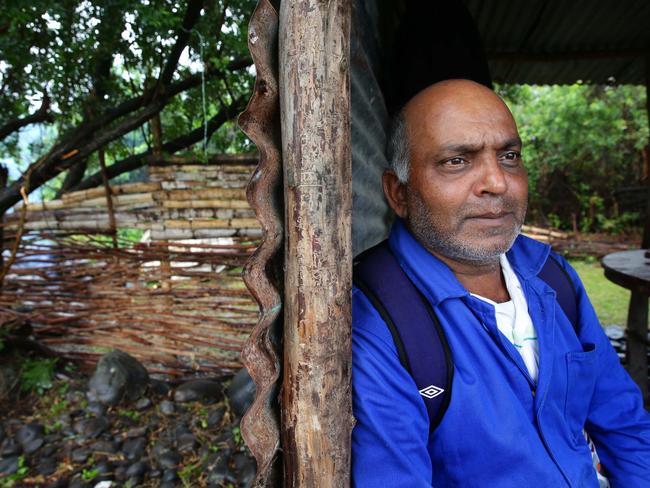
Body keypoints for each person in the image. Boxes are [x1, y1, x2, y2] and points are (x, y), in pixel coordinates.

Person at [351, 79, 650, 487]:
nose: (497, 181)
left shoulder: (552, 277)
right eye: (457, 160)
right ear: (398, 193)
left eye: (509, 156)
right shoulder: (376, 320)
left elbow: (626, 426)